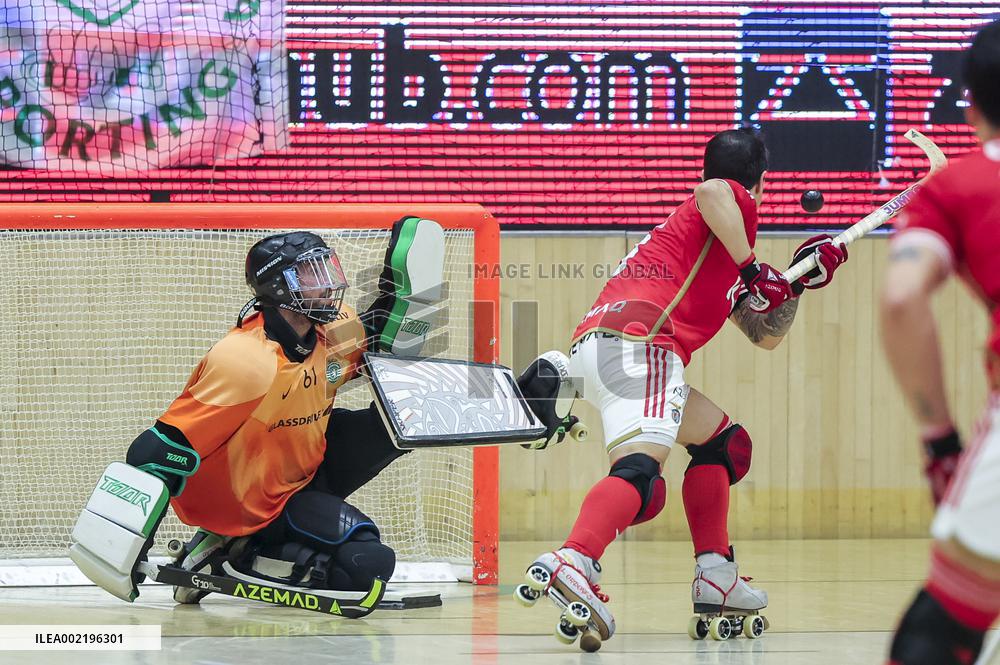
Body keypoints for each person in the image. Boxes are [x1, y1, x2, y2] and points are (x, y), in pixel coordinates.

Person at [521, 128, 849, 647]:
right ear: (761, 182)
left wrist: (799, 281)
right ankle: (574, 559)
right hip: (644, 348)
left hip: (605, 348)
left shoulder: (708, 241)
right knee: (641, 476)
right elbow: (715, 191)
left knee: (724, 445)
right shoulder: (727, 202)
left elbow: (764, 333)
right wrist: (754, 267)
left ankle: (715, 574)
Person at [127, 230, 409, 600]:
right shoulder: (245, 361)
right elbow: (154, 453)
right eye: (312, 272)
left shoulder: (337, 328)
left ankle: (237, 546)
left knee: (399, 420)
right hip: (243, 502)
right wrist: (132, 544)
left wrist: (397, 289)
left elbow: (373, 347)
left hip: (299, 475)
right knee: (367, 563)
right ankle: (233, 549)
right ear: (279, 287)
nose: (328, 281)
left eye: (327, 266)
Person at [880, 18, 1000, 665]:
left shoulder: (958, 187)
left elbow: (902, 298)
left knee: (937, 631)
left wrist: (941, 441)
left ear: (973, 103)